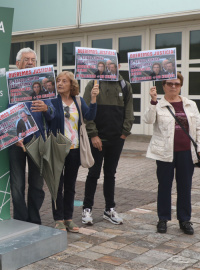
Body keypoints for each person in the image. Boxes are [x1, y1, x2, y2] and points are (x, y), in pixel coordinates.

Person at [81, 55, 134, 226]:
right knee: (93, 174)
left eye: (113, 63)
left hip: (116, 139)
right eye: (106, 63)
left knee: (110, 174)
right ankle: (87, 209)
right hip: (97, 139)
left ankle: (109, 209)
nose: (110, 66)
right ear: (101, 66)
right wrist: (93, 135)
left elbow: (129, 110)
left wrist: (124, 133)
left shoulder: (125, 85)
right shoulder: (93, 83)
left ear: (118, 65)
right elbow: (86, 112)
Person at [144, 73, 200, 235]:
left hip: (186, 153)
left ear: (181, 85)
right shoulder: (159, 104)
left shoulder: (190, 104)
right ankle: (163, 219)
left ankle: (184, 220)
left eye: (176, 83)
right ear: (164, 86)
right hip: (164, 152)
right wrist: (153, 101)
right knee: (164, 186)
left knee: (185, 186)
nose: (173, 86)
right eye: (169, 83)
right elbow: (148, 120)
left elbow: (198, 128)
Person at [47, 71, 98, 232]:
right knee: (57, 185)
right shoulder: (52, 101)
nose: (60, 83)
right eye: (58, 81)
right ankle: (58, 219)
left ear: (72, 85)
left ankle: (68, 218)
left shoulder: (77, 100)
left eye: (64, 81)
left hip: (74, 148)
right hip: (57, 148)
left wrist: (94, 98)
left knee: (70, 185)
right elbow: (49, 119)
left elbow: (90, 116)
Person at [10, 47, 55, 226]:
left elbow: (53, 113)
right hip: (16, 142)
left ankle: (34, 219)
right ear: (17, 63)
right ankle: (21, 220)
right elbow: (6, 114)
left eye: (33, 60)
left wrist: (46, 109)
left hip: (39, 142)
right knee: (17, 185)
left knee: (37, 185)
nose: (30, 62)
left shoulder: (43, 86)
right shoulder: (10, 85)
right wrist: (14, 136)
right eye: (26, 59)